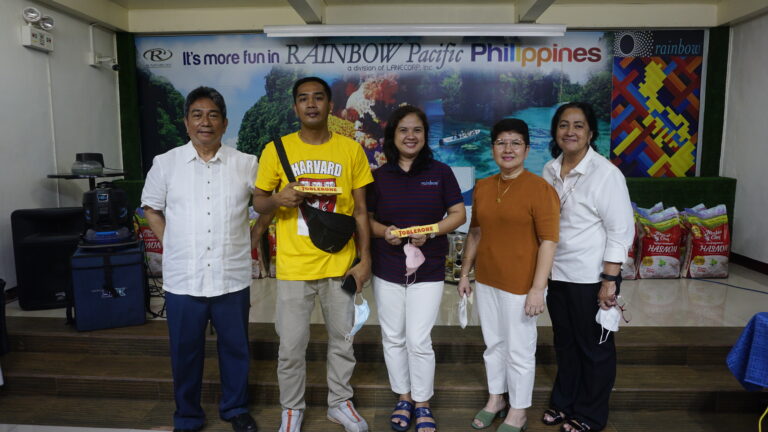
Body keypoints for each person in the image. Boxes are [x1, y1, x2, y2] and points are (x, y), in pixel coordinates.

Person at [252, 77, 373, 432]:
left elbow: (361, 211)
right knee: (290, 346)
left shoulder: (350, 150)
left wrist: (365, 260)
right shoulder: (276, 149)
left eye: (318, 98)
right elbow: (258, 200)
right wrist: (276, 199)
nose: (311, 104)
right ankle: (291, 408)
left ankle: (340, 403)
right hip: (293, 266)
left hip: (340, 264)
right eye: (303, 99)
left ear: (329, 105)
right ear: (295, 108)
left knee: (343, 341)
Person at [141, 86, 264, 432]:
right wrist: (172, 243)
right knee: (185, 352)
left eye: (212, 115)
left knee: (236, 349)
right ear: (186, 122)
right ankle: (188, 416)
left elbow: (265, 207)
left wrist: (252, 239)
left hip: (232, 276)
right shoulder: (165, 164)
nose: (205, 122)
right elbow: (151, 208)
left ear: (224, 123)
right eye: (197, 115)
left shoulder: (246, 164)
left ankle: (236, 408)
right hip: (184, 279)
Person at [367, 105, 466, 432]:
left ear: (425, 135)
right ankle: (404, 397)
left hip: (429, 268)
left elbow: (457, 214)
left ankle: (423, 402)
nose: (410, 136)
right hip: (388, 267)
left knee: (419, 338)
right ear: (392, 137)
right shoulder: (378, 177)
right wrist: (386, 233)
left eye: (417, 130)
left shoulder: (440, 172)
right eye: (403, 130)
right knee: (393, 336)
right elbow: (366, 220)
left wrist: (432, 231)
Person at [457, 118, 560, 432]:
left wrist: (537, 289)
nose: (508, 149)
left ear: (527, 149)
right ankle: (496, 399)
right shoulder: (485, 186)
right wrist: (464, 274)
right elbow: (475, 234)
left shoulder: (540, 189)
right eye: (501, 142)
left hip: (521, 285)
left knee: (519, 350)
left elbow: (549, 241)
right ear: (492, 149)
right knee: (494, 345)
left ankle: (518, 410)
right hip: (487, 280)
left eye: (516, 143)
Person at [540, 102, 634, 432]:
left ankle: (591, 415)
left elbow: (621, 230)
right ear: (555, 132)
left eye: (578, 125)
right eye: (564, 125)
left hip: (591, 277)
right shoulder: (549, 170)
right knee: (565, 343)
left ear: (590, 133)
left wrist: (609, 279)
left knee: (594, 348)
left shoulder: (606, 174)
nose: (570, 131)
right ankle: (564, 402)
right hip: (556, 274)